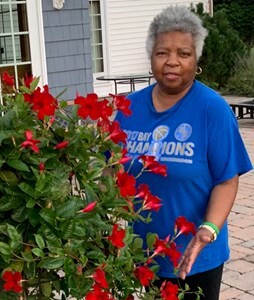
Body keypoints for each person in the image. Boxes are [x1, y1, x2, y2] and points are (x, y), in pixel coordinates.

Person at [114, 5, 253, 300]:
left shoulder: (211, 109)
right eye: (163, 52)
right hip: (142, 253)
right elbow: (110, 170)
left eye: (183, 53)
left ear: (196, 59)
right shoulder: (129, 109)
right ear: (151, 57)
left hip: (195, 255)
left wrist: (209, 229)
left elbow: (227, 180)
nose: (172, 62)